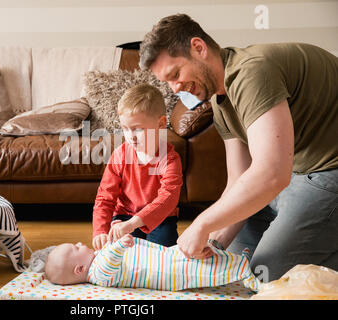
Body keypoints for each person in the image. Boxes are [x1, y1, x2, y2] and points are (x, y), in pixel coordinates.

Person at [139, 13, 338, 281]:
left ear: (199, 48)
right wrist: (216, 241)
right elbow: (239, 179)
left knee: (265, 276)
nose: (175, 88)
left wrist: (202, 223)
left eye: (176, 74)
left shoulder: (252, 73)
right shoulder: (221, 104)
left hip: (328, 171)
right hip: (298, 176)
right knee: (230, 264)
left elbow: (272, 173)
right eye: (168, 82)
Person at [92, 83, 183, 250]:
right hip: (125, 216)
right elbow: (105, 197)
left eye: (138, 129)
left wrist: (135, 222)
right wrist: (100, 230)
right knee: (121, 251)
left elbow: (167, 199)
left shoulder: (170, 159)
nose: (130, 136)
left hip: (161, 218)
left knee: (162, 252)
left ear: (161, 124)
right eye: (125, 129)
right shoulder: (120, 155)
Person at [44, 234, 260, 292]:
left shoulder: (97, 257)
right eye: (75, 247)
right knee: (201, 269)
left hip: (165, 256)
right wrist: (118, 246)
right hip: (168, 272)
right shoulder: (98, 274)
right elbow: (110, 262)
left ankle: (238, 261)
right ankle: (244, 272)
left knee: (201, 256)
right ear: (79, 269)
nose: (80, 243)